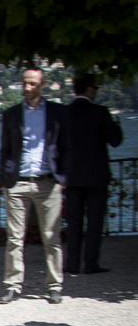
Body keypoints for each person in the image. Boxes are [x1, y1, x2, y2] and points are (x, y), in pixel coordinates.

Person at [0, 68, 70, 304]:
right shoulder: (12, 115)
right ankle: (13, 285)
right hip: (17, 183)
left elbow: (66, 148)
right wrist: (4, 181)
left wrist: (62, 179)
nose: (28, 88)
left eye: (33, 84)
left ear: (42, 85)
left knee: (52, 237)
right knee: (15, 238)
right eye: (25, 83)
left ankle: (54, 285)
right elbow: (5, 150)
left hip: (48, 182)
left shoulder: (57, 113)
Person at [65, 72, 123, 276]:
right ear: (90, 88)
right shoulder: (100, 112)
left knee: (74, 223)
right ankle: (90, 264)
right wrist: (116, 126)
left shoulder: (66, 113)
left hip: (72, 176)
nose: (97, 92)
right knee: (95, 222)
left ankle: (71, 263)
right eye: (96, 88)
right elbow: (115, 141)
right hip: (96, 176)